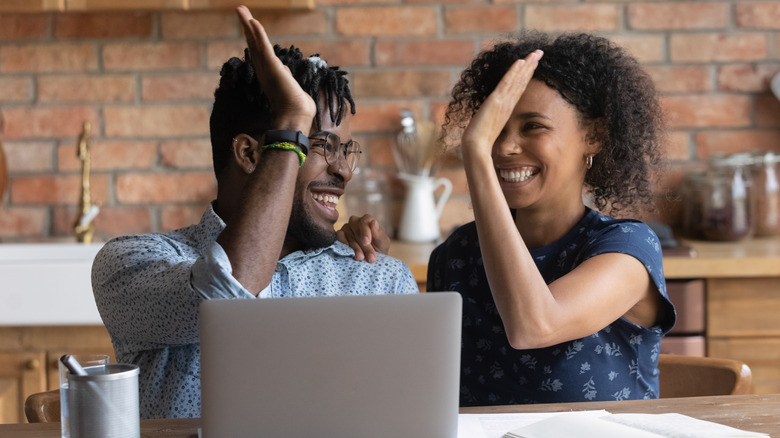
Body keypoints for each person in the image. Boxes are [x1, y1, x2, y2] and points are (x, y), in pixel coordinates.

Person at [92, 6, 418, 419]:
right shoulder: (132, 264)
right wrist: (292, 120)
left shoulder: (380, 279)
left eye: (346, 150)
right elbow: (229, 291)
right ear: (250, 154)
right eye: (321, 145)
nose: (345, 171)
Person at [345, 31, 676, 405]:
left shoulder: (627, 250)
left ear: (594, 135)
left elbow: (534, 327)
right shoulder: (458, 254)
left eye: (533, 126)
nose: (504, 147)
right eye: (495, 130)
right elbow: (418, 383)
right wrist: (376, 268)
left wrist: (475, 150)